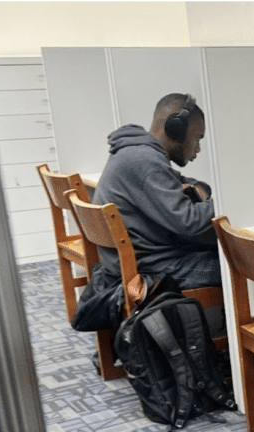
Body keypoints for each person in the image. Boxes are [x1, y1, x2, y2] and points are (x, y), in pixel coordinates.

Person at [91, 93, 220, 289]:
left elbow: (179, 180)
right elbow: (189, 221)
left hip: (136, 261)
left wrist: (201, 188)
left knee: (215, 249)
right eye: (197, 138)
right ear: (175, 130)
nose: (198, 148)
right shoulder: (147, 162)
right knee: (235, 264)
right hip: (150, 268)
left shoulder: (136, 151)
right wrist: (228, 201)